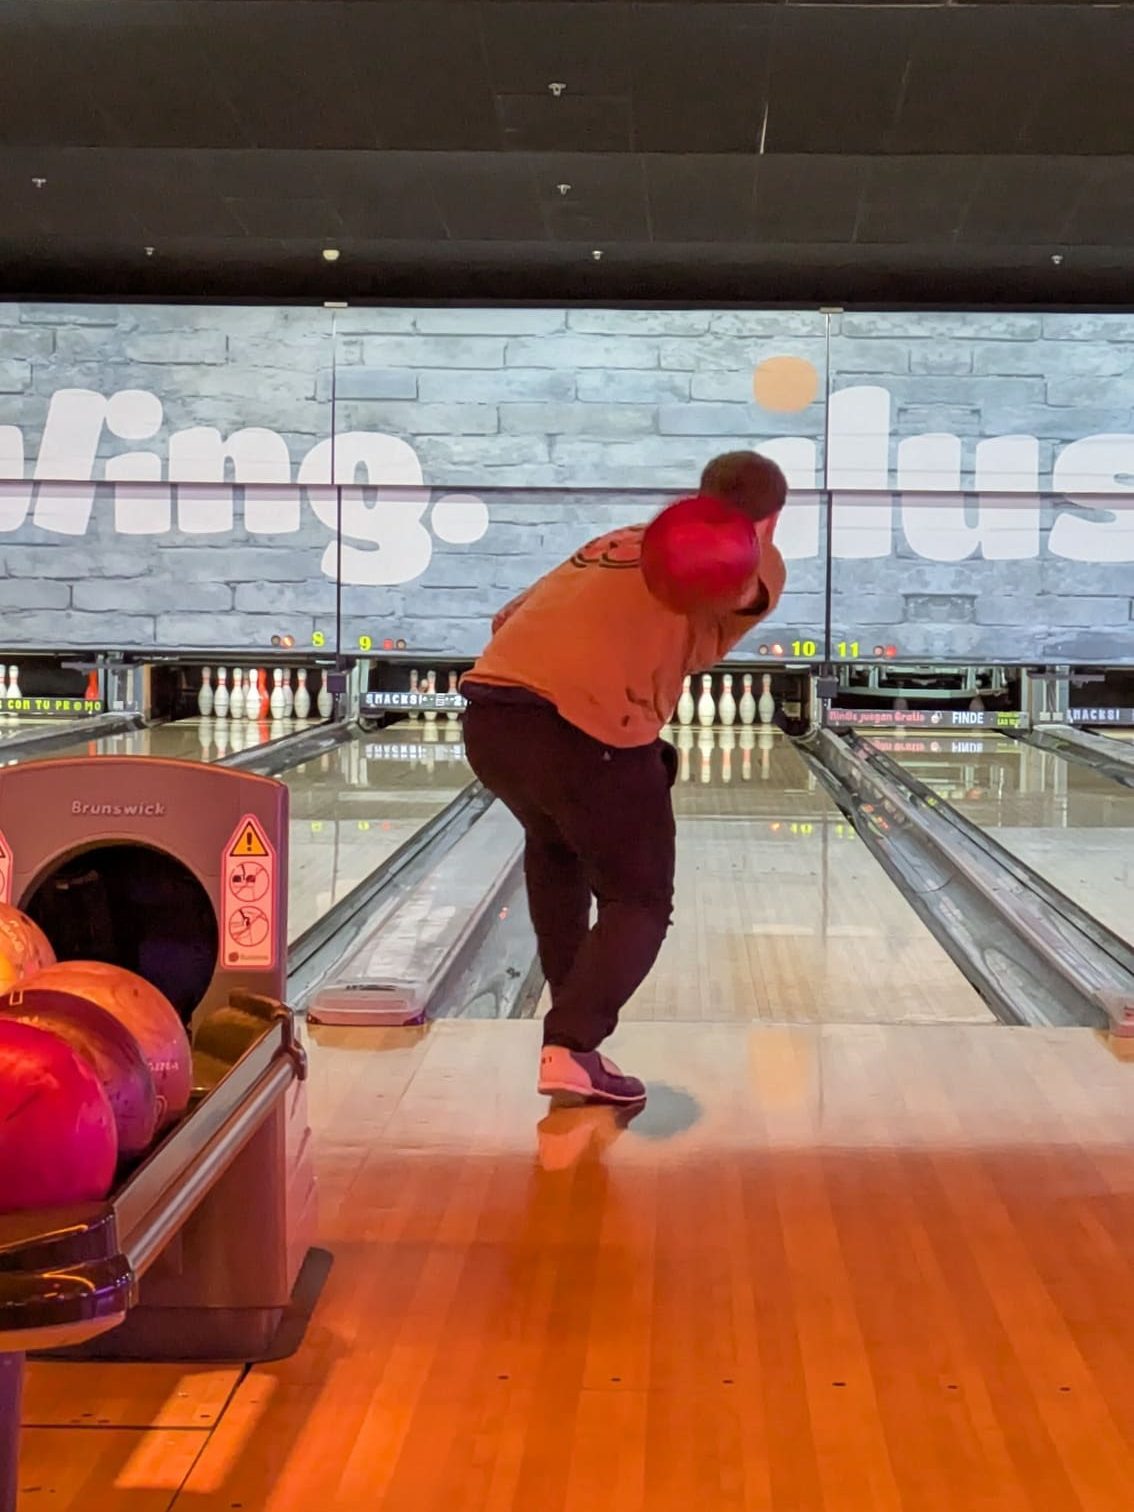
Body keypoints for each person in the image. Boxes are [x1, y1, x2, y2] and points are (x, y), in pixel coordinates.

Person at [461, 451, 788, 1106]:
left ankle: (569, 1041)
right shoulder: (759, 559)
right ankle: (572, 1044)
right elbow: (742, 590)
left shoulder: (614, 542)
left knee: (555, 845)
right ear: (773, 519)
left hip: (491, 715)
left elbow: (506, 618)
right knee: (640, 900)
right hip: (590, 733)